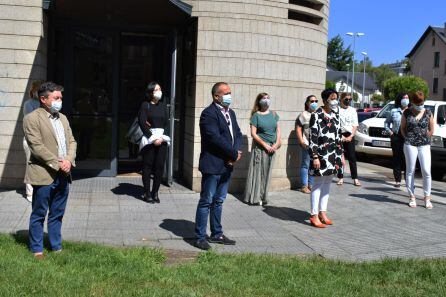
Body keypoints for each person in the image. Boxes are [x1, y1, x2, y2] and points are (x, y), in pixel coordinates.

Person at [23, 82, 77, 259]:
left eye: (60, 97)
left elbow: (72, 142)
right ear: (44, 99)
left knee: (57, 213)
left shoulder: (63, 118)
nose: (60, 101)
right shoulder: (31, 118)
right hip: (44, 173)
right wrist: (57, 163)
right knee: (39, 213)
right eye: (56, 98)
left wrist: (68, 160)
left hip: (64, 173)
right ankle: (36, 249)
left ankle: (56, 247)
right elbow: (37, 147)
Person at [194, 82, 243, 250]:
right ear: (216, 96)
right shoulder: (208, 114)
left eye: (230, 92)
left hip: (227, 164)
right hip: (213, 164)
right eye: (226, 93)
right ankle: (200, 237)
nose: (230, 95)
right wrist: (232, 154)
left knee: (219, 201)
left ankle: (216, 233)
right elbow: (215, 139)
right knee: (206, 201)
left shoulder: (231, 113)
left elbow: (237, 134)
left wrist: (235, 153)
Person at [308, 88, 343, 228]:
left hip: (333, 155)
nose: (335, 101)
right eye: (332, 98)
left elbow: (338, 137)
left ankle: (323, 212)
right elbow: (313, 138)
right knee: (317, 184)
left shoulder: (336, 115)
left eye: (336, 98)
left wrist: (340, 156)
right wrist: (315, 156)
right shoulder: (316, 115)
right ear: (325, 100)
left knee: (328, 183)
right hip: (321, 155)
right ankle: (314, 215)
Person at [243, 92, 281, 205]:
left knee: (267, 173)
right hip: (260, 148)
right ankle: (255, 197)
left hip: (272, 148)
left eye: (268, 98)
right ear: (259, 101)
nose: (266, 100)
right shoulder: (256, 116)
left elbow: (278, 130)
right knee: (258, 172)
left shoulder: (274, 114)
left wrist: (276, 144)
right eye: (264, 98)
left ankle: (264, 196)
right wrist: (264, 145)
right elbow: (253, 134)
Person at [400, 91, 434, 209]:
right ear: (413, 102)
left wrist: (425, 138)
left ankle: (427, 197)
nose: (420, 105)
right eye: (418, 103)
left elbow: (431, 129)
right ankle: (412, 196)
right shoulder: (407, 112)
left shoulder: (428, 112)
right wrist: (407, 139)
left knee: (426, 171)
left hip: (424, 145)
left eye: (422, 102)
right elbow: (402, 128)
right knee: (410, 170)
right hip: (410, 144)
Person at [138, 82, 170, 204]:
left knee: (159, 167)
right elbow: (142, 122)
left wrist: (161, 138)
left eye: (160, 89)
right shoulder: (145, 105)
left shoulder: (162, 106)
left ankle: (155, 192)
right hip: (149, 140)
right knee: (147, 166)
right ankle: (147, 193)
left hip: (162, 140)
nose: (159, 92)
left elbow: (166, 124)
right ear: (151, 92)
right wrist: (153, 138)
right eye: (157, 90)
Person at [22, 80, 43, 202]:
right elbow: (31, 121)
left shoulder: (44, 104)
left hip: (43, 141)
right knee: (30, 165)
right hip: (31, 141)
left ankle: (39, 190)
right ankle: (30, 193)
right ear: (33, 90)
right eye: (39, 89)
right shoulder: (28, 104)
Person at [384, 93, 409, 188]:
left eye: (407, 98)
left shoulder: (410, 111)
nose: (406, 100)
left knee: (407, 159)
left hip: (407, 138)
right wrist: (390, 133)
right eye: (404, 98)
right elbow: (386, 123)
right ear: (400, 100)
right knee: (397, 158)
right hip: (396, 137)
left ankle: (408, 180)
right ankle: (398, 180)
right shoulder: (393, 111)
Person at [337, 93, 360, 187]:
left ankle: (355, 178)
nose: (348, 101)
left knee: (352, 157)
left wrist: (351, 136)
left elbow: (355, 125)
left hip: (350, 134)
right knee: (340, 157)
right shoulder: (337, 110)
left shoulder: (353, 110)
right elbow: (335, 124)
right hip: (340, 135)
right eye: (346, 99)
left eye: (350, 100)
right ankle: (340, 177)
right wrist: (340, 136)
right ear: (341, 100)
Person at [296, 95, 318, 193]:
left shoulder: (319, 114)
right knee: (306, 164)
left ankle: (311, 184)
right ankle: (304, 186)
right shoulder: (303, 115)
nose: (314, 103)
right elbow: (298, 128)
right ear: (307, 103)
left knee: (314, 165)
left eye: (316, 101)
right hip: (306, 143)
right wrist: (301, 141)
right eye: (312, 101)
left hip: (317, 144)